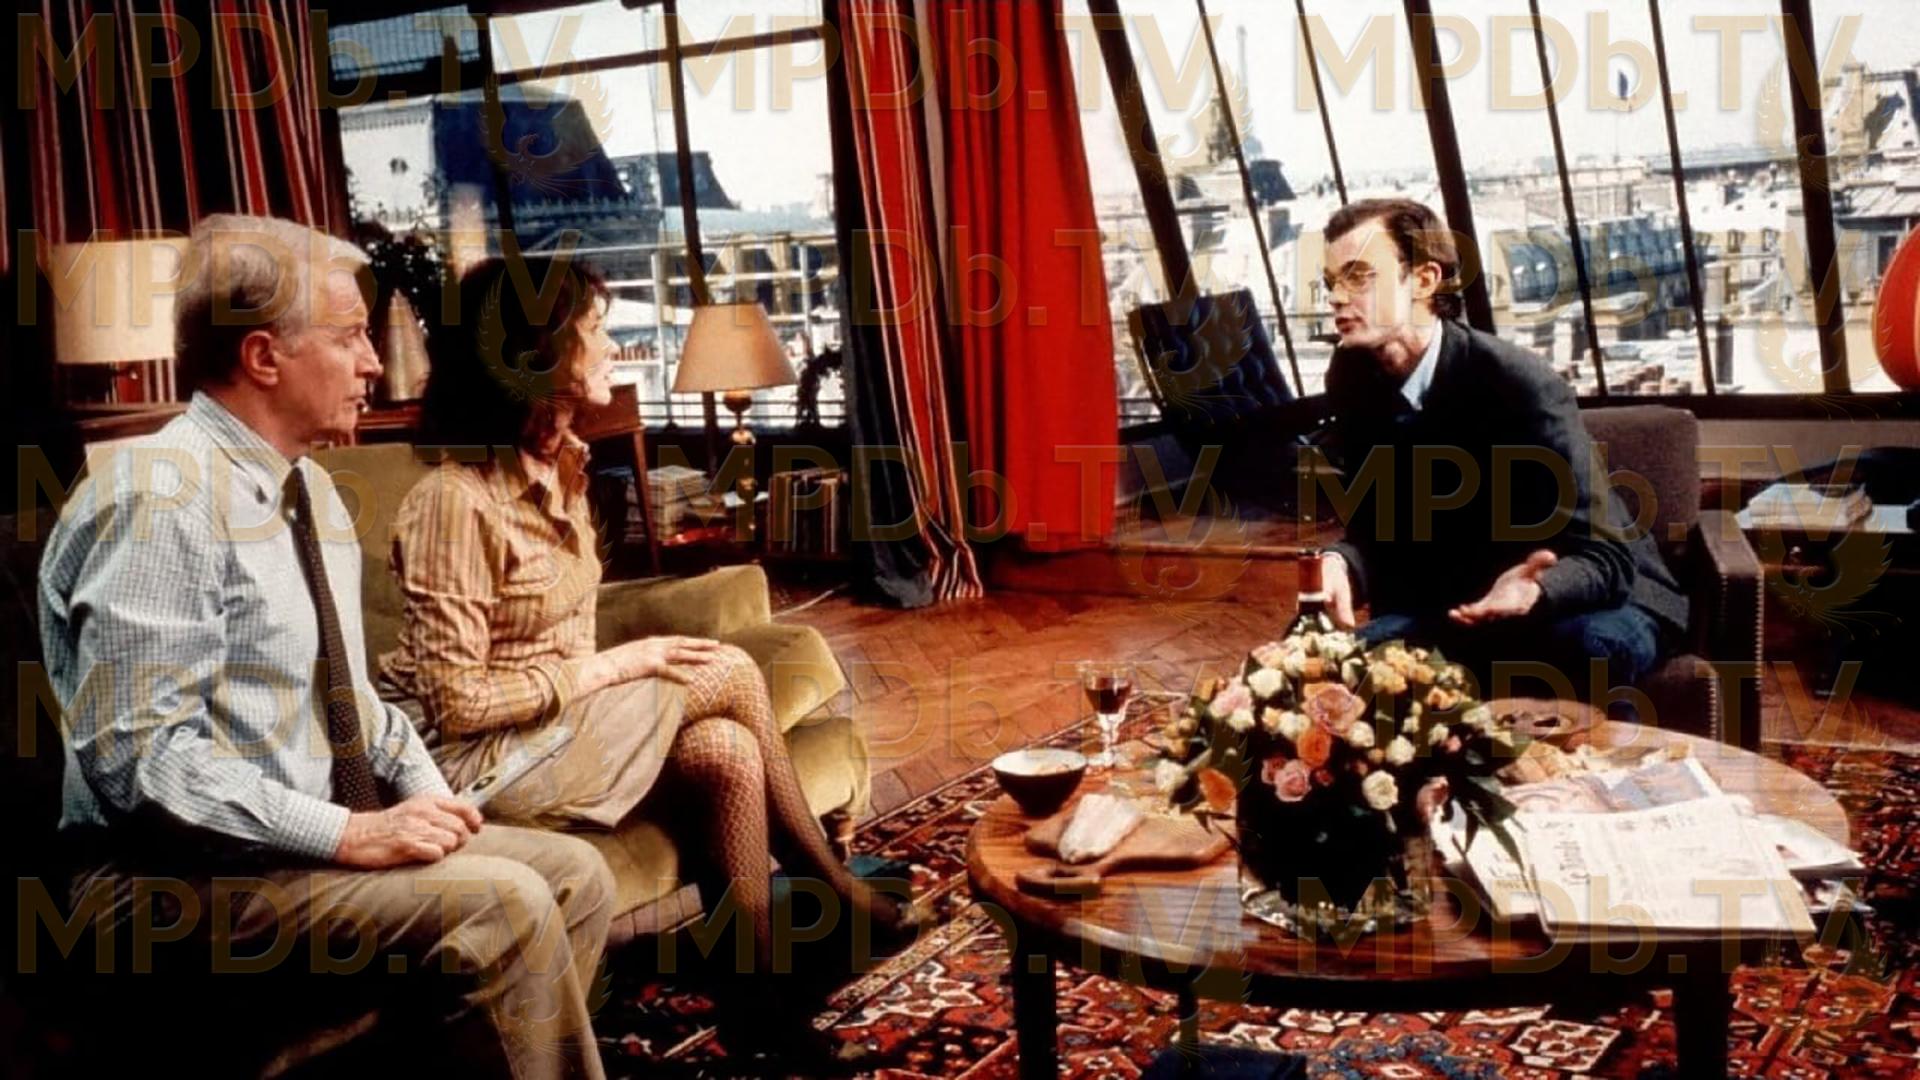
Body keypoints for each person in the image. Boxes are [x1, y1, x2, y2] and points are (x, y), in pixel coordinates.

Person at [38, 215, 615, 1079]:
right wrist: (349, 833)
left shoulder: (308, 488)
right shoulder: (161, 500)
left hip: (283, 855)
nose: (374, 363)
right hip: (160, 879)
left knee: (575, 874)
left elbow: (352, 703)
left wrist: (432, 803)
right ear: (263, 357)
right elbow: (141, 760)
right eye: (349, 337)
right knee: (505, 902)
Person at [377, 255, 922, 1039]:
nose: (612, 346)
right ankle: (836, 888)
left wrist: (608, 676)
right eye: (594, 330)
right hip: (476, 764)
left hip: (553, 728)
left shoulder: (564, 464)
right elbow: (457, 705)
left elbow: (560, 635)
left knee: (727, 749)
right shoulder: (452, 502)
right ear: (536, 355)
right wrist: (615, 667)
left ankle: (760, 1009)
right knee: (729, 668)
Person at [1312, 198, 1689, 709]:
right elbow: (1378, 530)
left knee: (1585, 647)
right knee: (1321, 661)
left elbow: (1607, 557)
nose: (1336, 297)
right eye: (1331, 281)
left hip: (1593, 598)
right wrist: (1342, 563)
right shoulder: (1352, 375)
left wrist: (1537, 590)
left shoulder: (1517, 383)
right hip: (1464, 600)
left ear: (1423, 280)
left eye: (1358, 277)